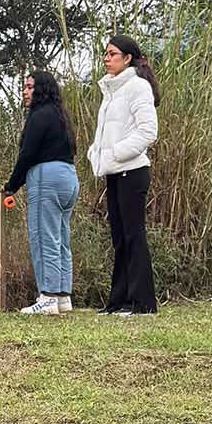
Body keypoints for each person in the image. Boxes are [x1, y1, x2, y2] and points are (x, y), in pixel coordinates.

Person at [88, 34, 159, 316]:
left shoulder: (138, 87)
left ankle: (141, 303)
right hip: (115, 173)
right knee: (119, 237)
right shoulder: (111, 91)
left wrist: (116, 152)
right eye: (105, 54)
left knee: (133, 235)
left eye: (112, 54)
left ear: (127, 58)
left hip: (133, 170)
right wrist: (97, 153)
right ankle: (118, 301)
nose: (106, 59)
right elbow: (106, 132)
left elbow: (147, 132)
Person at [2, 69, 80, 316]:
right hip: (68, 178)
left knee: (44, 238)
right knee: (60, 239)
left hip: (47, 179)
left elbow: (27, 154)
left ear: (41, 89)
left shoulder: (39, 115)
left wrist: (11, 186)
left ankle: (47, 297)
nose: (25, 92)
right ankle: (62, 297)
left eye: (29, 87)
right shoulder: (61, 116)